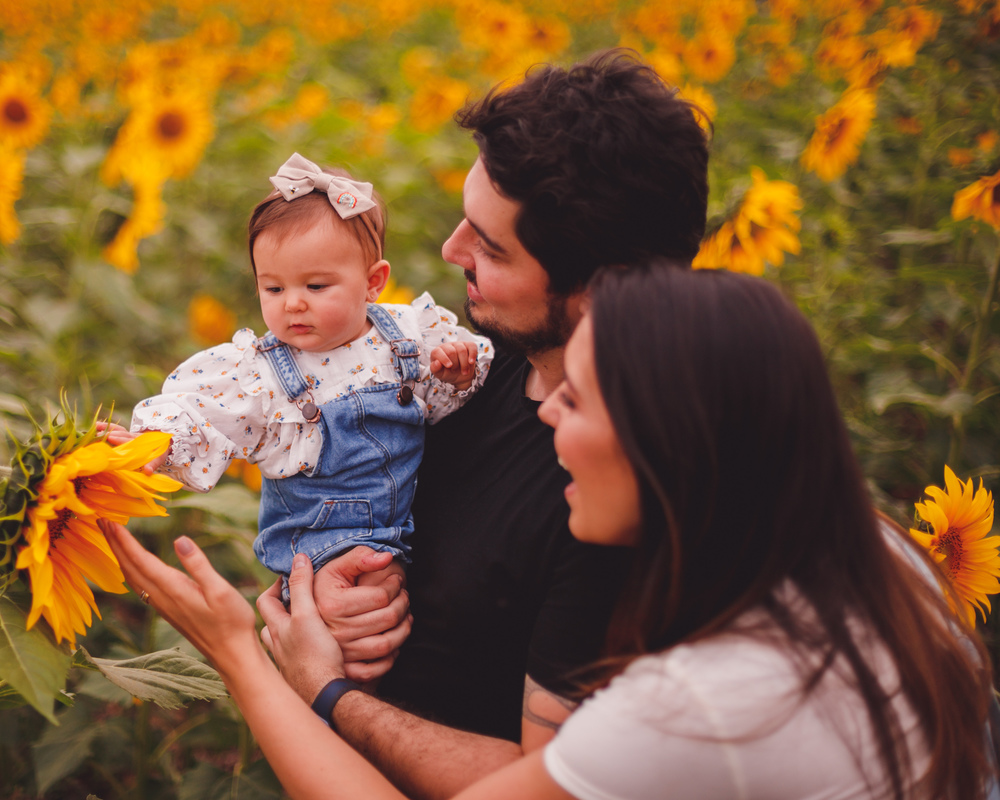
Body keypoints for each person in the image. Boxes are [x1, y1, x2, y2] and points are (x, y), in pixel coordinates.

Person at [101, 264, 995, 799]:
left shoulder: (705, 704)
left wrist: (247, 659)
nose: (547, 414)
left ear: (667, 445)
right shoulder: (883, 560)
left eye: (579, 396)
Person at [281, 47, 710, 799]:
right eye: (465, 219)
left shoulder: (622, 493)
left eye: (492, 245)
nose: (451, 252)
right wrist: (325, 593)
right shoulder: (467, 365)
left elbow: (552, 784)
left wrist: (325, 691)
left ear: (593, 287)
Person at [122, 152, 492, 597]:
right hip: (316, 551)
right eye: (273, 288)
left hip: (409, 528)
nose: (292, 303)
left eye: (316, 286)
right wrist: (159, 438)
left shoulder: (408, 334)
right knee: (367, 606)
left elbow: (440, 402)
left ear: (373, 282)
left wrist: (455, 373)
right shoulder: (264, 372)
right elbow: (203, 411)